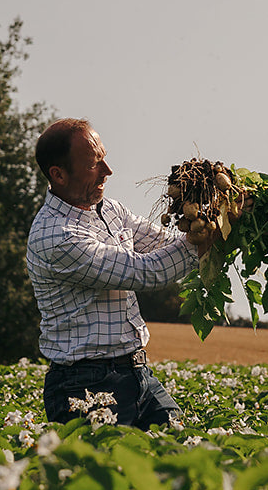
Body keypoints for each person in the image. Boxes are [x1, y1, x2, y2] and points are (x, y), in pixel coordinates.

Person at [26, 118, 211, 428]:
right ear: (58, 174)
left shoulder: (109, 209)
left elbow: (163, 243)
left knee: (182, 454)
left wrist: (217, 218)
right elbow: (147, 272)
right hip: (84, 384)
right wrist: (208, 239)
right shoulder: (56, 236)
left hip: (137, 372)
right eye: (94, 164)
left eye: (105, 158)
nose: (108, 171)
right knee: (106, 472)